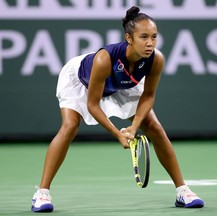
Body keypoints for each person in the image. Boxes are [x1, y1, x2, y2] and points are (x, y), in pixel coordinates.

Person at [31, 6, 204, 212]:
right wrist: (117, 134)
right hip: (81, 82)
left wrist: (133, 128)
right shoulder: (105, 59)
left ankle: (183, 191)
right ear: (129, 38)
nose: (150, 43)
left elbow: (148, 96)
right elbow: (92, 105)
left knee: (155, 128)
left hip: (122, 85)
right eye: (143, 37)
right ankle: (42, 193)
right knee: (69, 126)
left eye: (154, 37)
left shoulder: (156, 59)